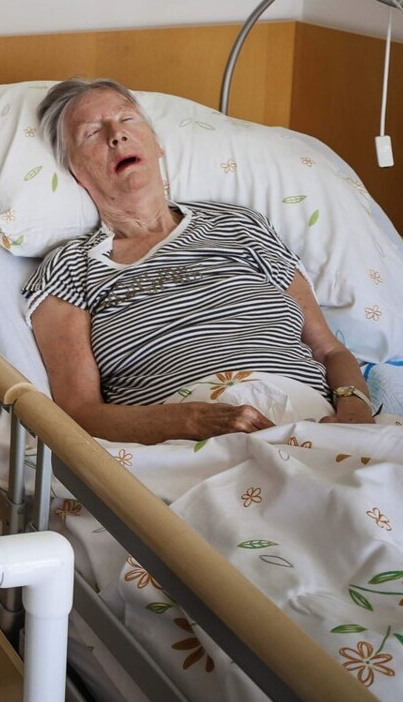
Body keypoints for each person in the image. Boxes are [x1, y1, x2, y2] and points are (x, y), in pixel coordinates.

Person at [23, 78, 375, 445]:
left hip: (315, 425)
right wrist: (188, 421)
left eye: (126, 119)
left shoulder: (240, 225)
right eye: (93, 132)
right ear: (75, 169)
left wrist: (355, 410)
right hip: (183, 444)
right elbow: (80, 413)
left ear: (157, 143)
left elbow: (329, 350)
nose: (117, 135)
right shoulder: (71, 267)